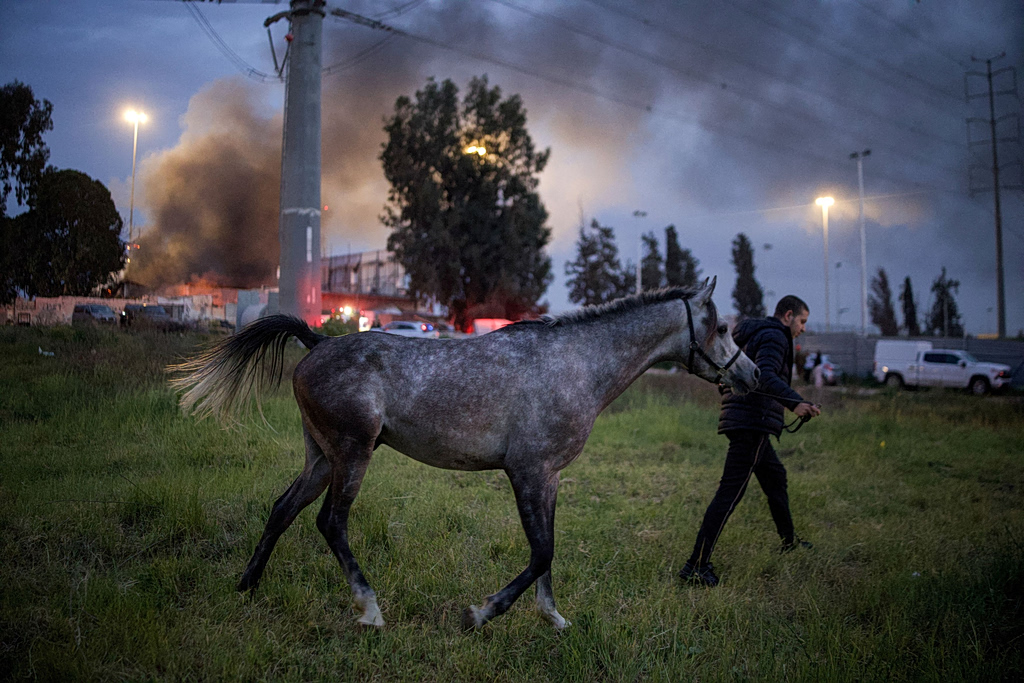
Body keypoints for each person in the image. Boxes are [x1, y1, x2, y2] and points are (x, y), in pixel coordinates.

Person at [679, 295, 822, 587]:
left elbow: (730, 374)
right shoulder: (775, 336)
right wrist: (795, 403)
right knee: (730, 494)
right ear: (788, 315)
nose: (803, 329)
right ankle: (696, 565)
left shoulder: (752, 333)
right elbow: (765, 376)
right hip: (753, 420)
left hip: (744, 417)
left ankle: (789, 541)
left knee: (775, 478)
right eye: (802, 322)